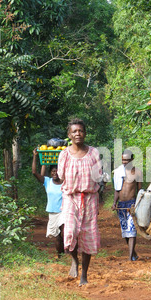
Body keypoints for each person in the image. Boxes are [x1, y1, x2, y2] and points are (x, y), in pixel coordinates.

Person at [57, 118, 102, 286]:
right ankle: (74, 260)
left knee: (88, 234)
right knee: (70, 231)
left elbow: (98, 175)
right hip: (71, 198)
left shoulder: (94, 153)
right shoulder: (64, 154)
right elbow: (61, 176)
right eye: (74, 131)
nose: (78, 134)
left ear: (85, 133)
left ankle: (84, 275)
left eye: (80, 131)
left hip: (90, 198)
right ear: (69, 134)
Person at [32, 149, 64, 258]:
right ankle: (60, 255)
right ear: (50, 172)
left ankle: (67, 253)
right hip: (52, 212)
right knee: (57, 236)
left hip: (64, 211)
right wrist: (36, 156)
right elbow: (34, 173)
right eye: (53, 171)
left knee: (63, 233)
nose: (55, 173)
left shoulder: (66, 182)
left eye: (57, 171)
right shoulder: (47, 181)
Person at [112, 149, 142, 261]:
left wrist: (137, 204)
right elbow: (116, 189)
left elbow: (140, 190)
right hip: (121, 205)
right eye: (123, 160)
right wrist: (114, 203)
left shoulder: (137, 172)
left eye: (127, 160)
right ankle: (133, 253)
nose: (125, 162)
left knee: (132, 230)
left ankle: (130, 258)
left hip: (131, 204)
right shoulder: (119, 172)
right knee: (125, 231)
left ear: (132, 159)